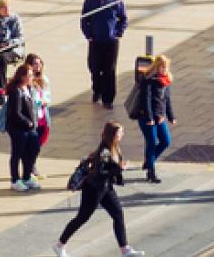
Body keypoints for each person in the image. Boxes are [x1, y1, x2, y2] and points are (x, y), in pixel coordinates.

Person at [52, 121, 142, 257]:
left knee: (118, 214)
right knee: (82, 217)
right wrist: (119, 168)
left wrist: (117, 169)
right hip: (94, 189)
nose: (123, 134)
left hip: (106, 187)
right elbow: (100, 172)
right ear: (113, 135)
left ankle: (125, 249)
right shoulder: (105, 151)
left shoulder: (114, 147)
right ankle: (59, 245)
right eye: (120, 132)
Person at [81, 0, 128, 108]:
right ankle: (97, 90)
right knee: (94, 67)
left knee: (109, 70)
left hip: (111, 42)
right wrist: (88, 35)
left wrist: (118, 33)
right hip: (95, 40)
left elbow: (123, 19)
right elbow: (84, 19)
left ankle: (108, 99)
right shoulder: (90, 1)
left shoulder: (116, 1)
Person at [128, 53, 175, 184]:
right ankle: (151, 172)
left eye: (166, 67)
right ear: (156, 67)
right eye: (162, 67)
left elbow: (167, 100)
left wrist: (170, 116)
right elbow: (146, 100)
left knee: (166, 141)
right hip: (147, 117)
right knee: (151, 142)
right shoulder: (148, 81)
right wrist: (150, 118)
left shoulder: (165, 80)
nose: (164, 70)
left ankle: (149, 161)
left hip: (159, 117)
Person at [4, 62, 44, 192]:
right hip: (18, 128)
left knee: (33, 150)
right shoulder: (16, 92)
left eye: (32, 75)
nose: (31, 77)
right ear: (22, 77)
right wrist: (28, 122)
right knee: (17, 153)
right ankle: (15, 180)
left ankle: (27, 176)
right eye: (29, 75)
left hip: (30, 128)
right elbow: (16, 113)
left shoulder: (29, 89)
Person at [25, 52, 54, 179]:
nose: (38, 66)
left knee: (39, 143)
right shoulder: (28, 81)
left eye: (39, 63)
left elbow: (47, 96)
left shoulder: (44, 79)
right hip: (33, 116)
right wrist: (38, 102)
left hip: (43, 116)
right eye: (35, 64)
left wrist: (45, 101)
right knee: (32, 145)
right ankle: (30, 168)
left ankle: (31, 165)